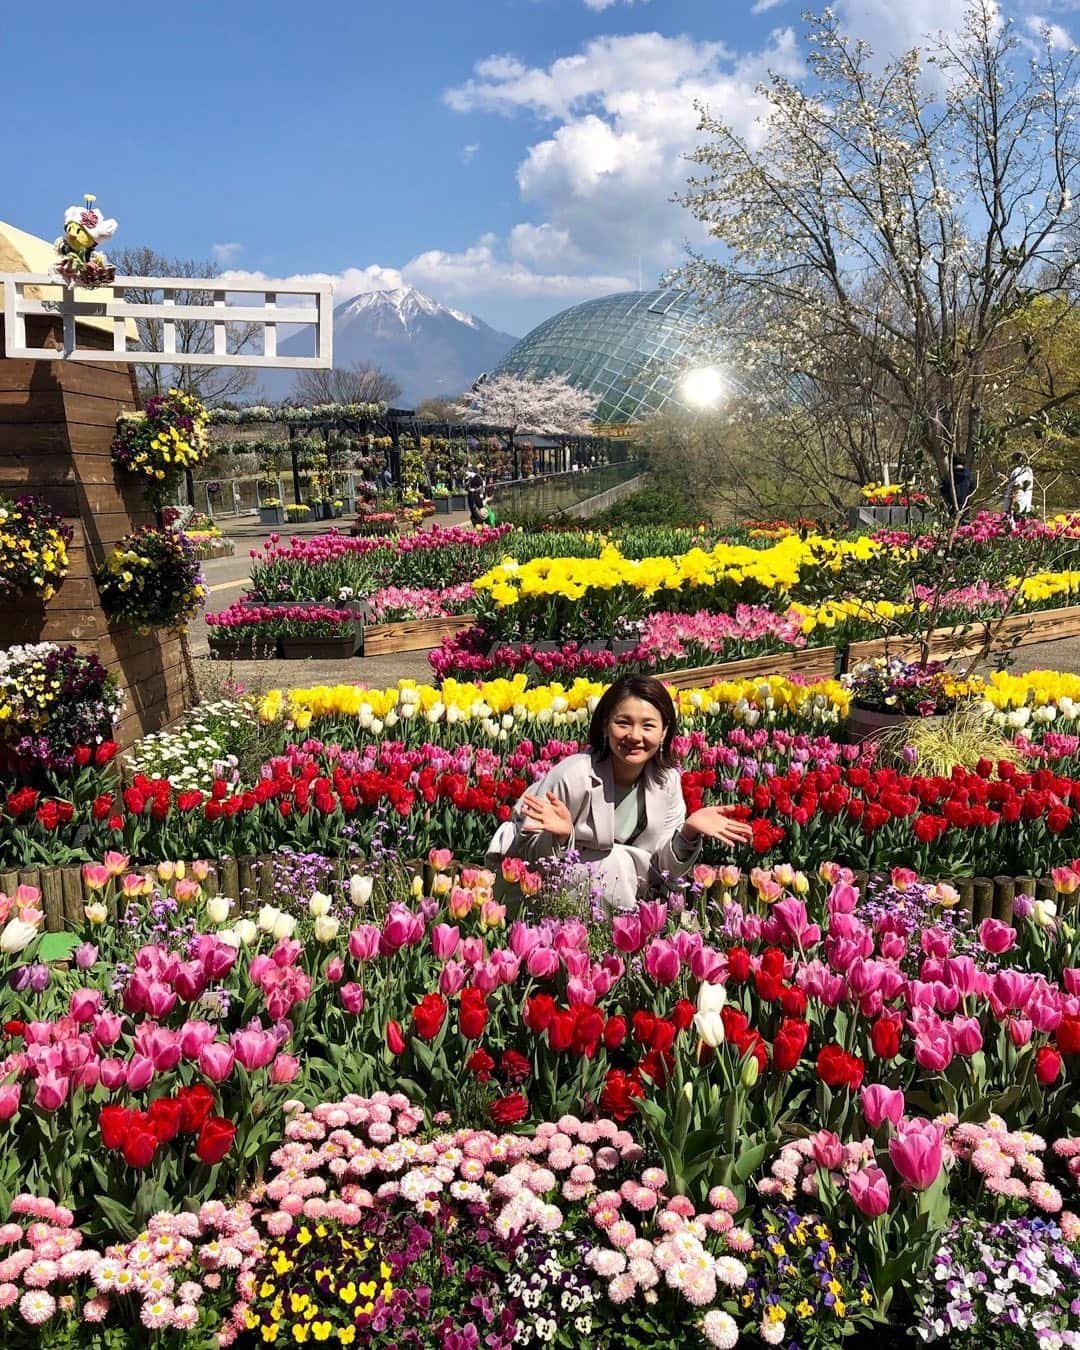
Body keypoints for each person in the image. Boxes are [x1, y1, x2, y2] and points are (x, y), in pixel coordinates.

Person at [485, 675, 753, 911]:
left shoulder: (667, 781)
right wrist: (562, 837)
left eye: (648, 726)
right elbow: (526, 850)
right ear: (605, 725)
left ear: (664, 732)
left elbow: (666, 870)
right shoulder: (575, 774)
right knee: (617, 863)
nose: (635, 736)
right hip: (535, 891)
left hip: (615, 893)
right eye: (623, 723)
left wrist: (688, 833)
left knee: (620, 866)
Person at [1002, 452, 1034, 519]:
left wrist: (1012, 506)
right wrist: (1005, 479)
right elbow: (1015, 483)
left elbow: (1017, 487)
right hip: (1025, 507)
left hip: (1017, 508)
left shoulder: (1018, 471)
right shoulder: (1028, 470)